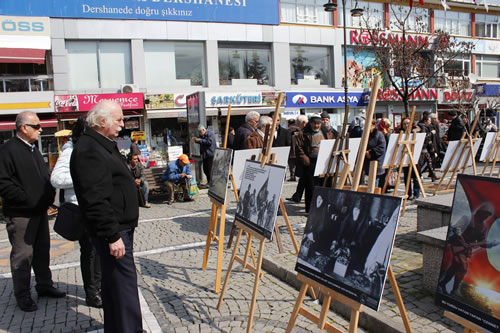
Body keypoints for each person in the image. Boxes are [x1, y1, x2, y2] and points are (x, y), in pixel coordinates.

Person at [70, 100, 143, 332]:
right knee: (123, 288)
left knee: (115, 287)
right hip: (114, 230)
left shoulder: (101, 143)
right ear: (102, 122)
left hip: (119, 227)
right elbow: (95, 199)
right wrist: (112, 236)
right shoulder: (89, 149)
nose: (123, 124)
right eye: (119, 119)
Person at [0, 111, 65, 312]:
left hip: (39, 212)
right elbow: (3, 183)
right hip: (21, 214)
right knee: (22, 255)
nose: (41, 129)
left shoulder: (33, 149)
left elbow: (42, 176)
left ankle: (44, 286)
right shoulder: (8, 149)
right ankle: (23, 295)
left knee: (42, 251)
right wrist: (27, 199)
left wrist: (48, 196)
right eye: (37, 126)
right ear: (23, 127)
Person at [50, 117, 102, 308]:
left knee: (98, 251)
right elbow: (56, 179)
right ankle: (92, 293)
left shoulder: (91, 147)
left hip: (95, 206)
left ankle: (99, 287)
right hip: (80, 208)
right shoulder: (70, 149)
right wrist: (84, 178)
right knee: (89, 252)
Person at [296, 114, 336, 213]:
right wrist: (306, 160)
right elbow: (299, 148)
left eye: (318, 124)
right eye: (314, 123)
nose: (316, 126)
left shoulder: (327, 132)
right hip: (311, 162)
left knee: (326, 185)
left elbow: (333, 143)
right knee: (311, 187)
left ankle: (325, 208)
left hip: (325, 161)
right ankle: (310, 210)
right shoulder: (303, 133)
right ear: (310, 123)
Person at [287, 115, 308, 202]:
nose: (297, 125)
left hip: (307, 159)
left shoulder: (306, 131)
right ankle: (297, 196)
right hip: (303, 159)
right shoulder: (300, 131)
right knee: (302, 179)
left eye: (298, 123)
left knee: (304, 180)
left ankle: (298, 196)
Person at [363, 119, 386, 186]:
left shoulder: (379, 135)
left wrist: (370, 153)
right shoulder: (366, 135)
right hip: (368, 162)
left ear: (373, 125)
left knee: (374, 182)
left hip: (377, 162)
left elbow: (382, 147)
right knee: (370, 182)